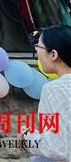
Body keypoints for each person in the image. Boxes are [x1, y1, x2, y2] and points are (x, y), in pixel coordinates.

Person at [25, 25, 71, 161]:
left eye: (38, 47)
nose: (37, 52)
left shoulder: (54, 89)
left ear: (53, 54)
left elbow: (57, 148)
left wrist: (27, 136)